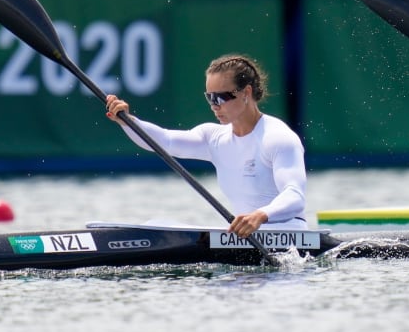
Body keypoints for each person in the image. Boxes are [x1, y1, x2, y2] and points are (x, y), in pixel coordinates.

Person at [104, 54, 307, 238]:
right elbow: (165, 141)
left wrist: (261, 215)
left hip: (288, 238)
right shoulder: (214, 137)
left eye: (221, 97)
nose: (214, 105)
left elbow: (295, 195)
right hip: (247, 238)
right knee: (158, 224)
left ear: (246, 93)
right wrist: (128, 120)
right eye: (209, 97)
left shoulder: (277, 137)